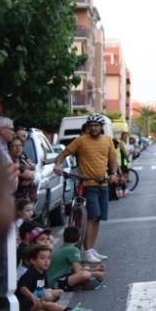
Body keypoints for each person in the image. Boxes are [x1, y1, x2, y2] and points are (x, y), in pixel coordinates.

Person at [52, 114, 119, 264]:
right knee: (92, 217)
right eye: (91, 125)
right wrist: (57, 165)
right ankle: (87, 251)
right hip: (88, 184)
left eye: (97, 125)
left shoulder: (108, 140)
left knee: (99, 218)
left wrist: (113, 173)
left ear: (102, 127)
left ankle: (92, 249)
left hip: (103, 184)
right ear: (88, 127)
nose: (94, 128)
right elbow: (63, 154)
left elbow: (113, 159)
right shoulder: (81, 140)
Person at [47, 226, 105, 291]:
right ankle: (78, 285)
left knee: (87, 269)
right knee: (86, 275)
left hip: (53, 279)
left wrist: (95, 269)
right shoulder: (73, 250)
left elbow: (76, 268)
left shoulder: (61, 248)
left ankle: (79, 284)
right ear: (79, 238)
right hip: (55, 282)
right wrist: (95, 273)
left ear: (63, 237)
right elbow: (79, 271)